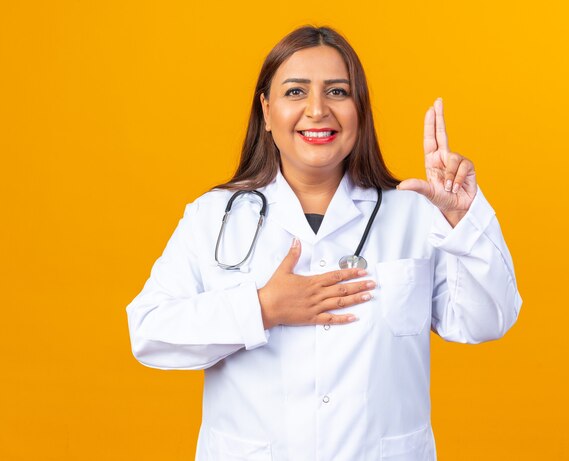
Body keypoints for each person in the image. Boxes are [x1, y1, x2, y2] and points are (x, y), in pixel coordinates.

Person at [126, 25, 522, 461]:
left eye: (337, 92)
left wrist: (463, 219)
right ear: (266, 110)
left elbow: (487, 320)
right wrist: (262, 308)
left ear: (360, 110)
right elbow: (149, 332)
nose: (317, 110)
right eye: (295, 92)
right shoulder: (214, 216)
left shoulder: (415, 213)